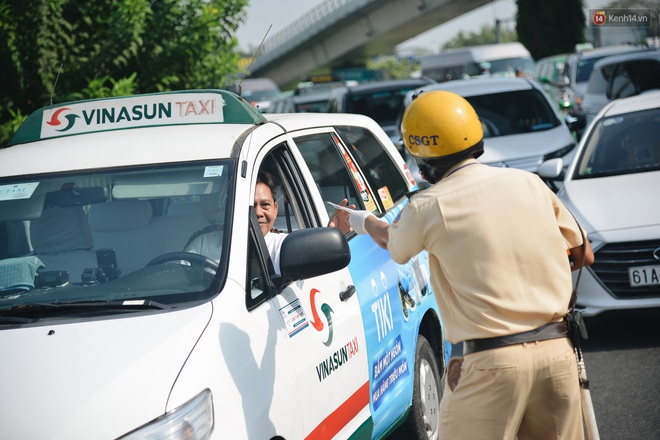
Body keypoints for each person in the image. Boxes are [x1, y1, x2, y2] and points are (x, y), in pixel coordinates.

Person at [346, 90, 595, 440]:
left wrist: (360, 221)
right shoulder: (529, 183)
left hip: (493, 362)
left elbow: (394, 244)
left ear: (421, 157)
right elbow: (584, 254)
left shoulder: (428, 205)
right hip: (557, 355)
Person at [187, 170, 352, 274]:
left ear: (275, 208)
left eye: (264, 205)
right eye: (249, 206)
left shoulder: (287, 247)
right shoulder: (201, 245)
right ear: (232, 209)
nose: (258, 213)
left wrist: (328, 242)